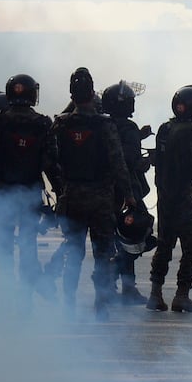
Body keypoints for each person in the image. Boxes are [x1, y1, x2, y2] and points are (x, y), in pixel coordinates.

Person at [52, 67, 132, 318]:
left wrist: (60, 187)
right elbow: (118, 162)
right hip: (101, 198)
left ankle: (68, 305)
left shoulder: (61, 124)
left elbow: (51, 160)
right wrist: (129, 194)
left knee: (73, 253)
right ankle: (102, 303)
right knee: (103, 253)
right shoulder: (104, 124)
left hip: (72, 197)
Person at [0, 73, 55, 307]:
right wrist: (61, 193)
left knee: (3, 246)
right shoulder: (42, 123)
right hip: (30, 191)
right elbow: (51, 161)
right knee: (28, 245)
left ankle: (4, 297)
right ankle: (25, 300)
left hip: (4, 191)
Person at [147, 85, 192, 314]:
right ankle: (182, 295)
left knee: (164, 245)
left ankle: (155, 293)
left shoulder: (165, 128)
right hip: (183, 197)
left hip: (164, 197)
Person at [100, 80, 153, 304]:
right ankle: (128, 289)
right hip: (126, 189)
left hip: (102, 191)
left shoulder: (101, 125)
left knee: (106, 240)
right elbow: (129, 160)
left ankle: (106, 288)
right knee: (133, 238)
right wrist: (148, 161)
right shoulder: (128, 128)